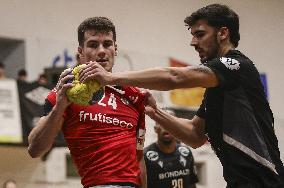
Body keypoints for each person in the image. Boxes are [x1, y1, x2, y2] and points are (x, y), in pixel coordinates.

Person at [81, 4, 284, 188]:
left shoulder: (238, 66)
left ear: (223, 33)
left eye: (200, 34)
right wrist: (155, 111)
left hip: (266, 182)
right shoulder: (217, 87)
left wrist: (110, 77)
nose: (193, 42)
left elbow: (174, 77)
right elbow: (195, 135)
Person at [28, 17, 147, 188]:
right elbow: (35, 149)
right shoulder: (65, 92)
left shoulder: (134, 95)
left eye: (107, 44)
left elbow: (139, 159)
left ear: (115, 48)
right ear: (80, 51)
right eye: (93, 45)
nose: (101, 51)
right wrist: (60, 106)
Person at [144, 108, 198, 188]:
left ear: (176, 127)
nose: (166, 127)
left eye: (169, 123)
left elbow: (192, 185)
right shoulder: (145, 156)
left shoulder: (186, 153)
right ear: (155, 128)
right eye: (161, 122)